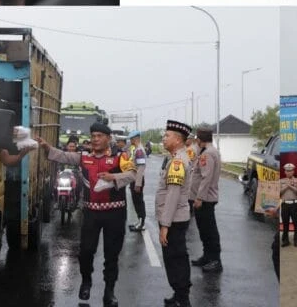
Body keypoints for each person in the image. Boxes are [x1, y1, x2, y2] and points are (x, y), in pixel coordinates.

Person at [36, 122, 136, 307]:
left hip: (115, 213)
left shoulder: (120, 157)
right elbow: (63, 155)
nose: (95, 139)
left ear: (108, 138)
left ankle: (109, 291)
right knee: (86, 251)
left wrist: (114, 177)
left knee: (111, 255)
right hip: (91, 213)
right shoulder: (83, 157)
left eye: (99, 136)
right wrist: (46, 147)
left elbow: (132, 174)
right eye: (93, 136)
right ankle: (86, 281)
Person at [156, 119, 194, 307]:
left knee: (176, 257)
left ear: (178, 140)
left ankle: (183, 297)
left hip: (174, 219)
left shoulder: (177, 162)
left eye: (167, 135)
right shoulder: (175, 158)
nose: (164, 139)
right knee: (174, 257)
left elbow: (173, 195)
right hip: (175, 218)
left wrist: (165, 225)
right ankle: (179, 294)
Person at [188, 125, 222, 272]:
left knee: (209, 230)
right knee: (203, 229)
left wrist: (199, 197)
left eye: (197, 139)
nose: (196, 142)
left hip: (205, 199)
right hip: (204, 198)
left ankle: (215, 260)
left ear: (200, 139)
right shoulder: (208, 151)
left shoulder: (207, 154)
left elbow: (206, 177)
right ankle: (207, 256)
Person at [127, 130, 148, 233]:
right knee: (136, 201)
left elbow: (140, 168)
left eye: (131, 139)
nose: (130, 141)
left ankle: (141, 223)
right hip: (134, 179)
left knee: (138, 202)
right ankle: (139, 221)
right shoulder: (136, 149)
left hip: (137, 179)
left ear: (135, 138)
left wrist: (138, 183)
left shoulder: (139, 150)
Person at [279, 163, 297, 247]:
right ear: (285, 172)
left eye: (290, 171)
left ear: (293, 171)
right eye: (287, 171)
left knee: (296, 223)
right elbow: (279, 192)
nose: (289, 172)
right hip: (285, 204)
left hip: (294, 204)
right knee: (285, 223)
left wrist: (291, 186)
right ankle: (285, 240)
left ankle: (296, 240)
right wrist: (287, 186)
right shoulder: (281, 181)